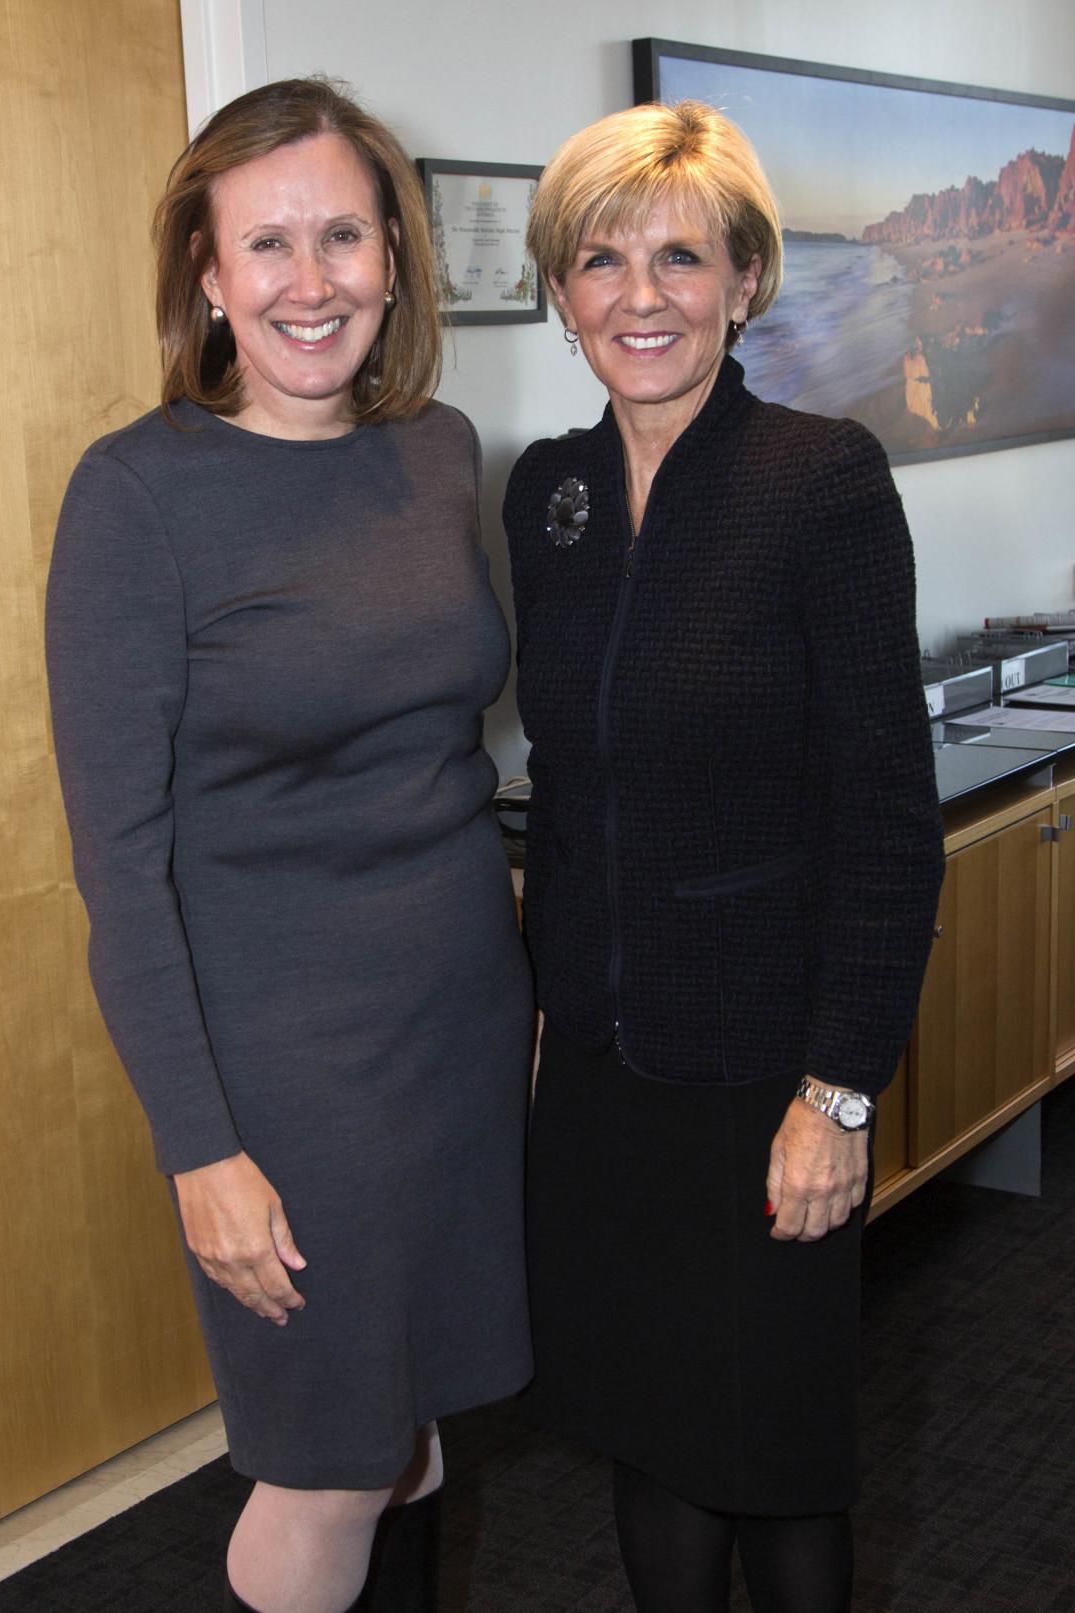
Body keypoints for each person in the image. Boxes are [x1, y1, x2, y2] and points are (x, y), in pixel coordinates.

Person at [46, 78, 533, 1613]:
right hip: (287, 1076)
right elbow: (120, 863)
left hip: (455, 1026)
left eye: (341, 234)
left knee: (416, 1435)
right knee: (323, 1465)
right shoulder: (138, 497)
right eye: (266, 244)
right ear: (205, 271)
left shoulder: (442, 451)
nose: (308, 282)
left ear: (394, 254)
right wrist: (200, 1147)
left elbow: (442, 751)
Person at [504, 100, 944, 1613]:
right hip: (610, 1078)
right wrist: (547, 1019)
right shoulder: (547, 498)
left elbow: (888, 821)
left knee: (777, 1460)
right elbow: (566, 790)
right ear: (562, 290)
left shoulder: (819, 482)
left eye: (680, 257)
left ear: (745, 280)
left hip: (767, 1080)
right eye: (601, 261)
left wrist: (839, 1090)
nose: (641, 297)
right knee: (650, 1435)